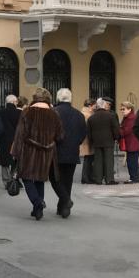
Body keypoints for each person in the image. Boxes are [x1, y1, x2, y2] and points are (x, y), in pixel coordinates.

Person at [11, 88, 63, 220]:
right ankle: (37, 211)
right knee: (40, 179)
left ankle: (37, 202)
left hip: (29, 150)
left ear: (34, 98)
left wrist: (15, 152)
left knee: (27, 177)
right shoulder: (54, 113)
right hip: (47, 152)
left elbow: (20, 134)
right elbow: (60, 135)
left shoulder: (27, 112)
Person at [51, 88, 87, 218]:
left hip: (56, 151)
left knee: (54, 178)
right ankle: (64, 209)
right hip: (72, 151)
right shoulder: (78, 114)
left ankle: (65, 201)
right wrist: (75, 143)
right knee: (67, 180)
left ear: (58, 98)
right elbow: (83, 133)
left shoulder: (54, 112)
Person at [87, 98, 120, 185]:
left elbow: (89, 132)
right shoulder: (111, 116)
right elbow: (115, 129)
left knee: (98, 160)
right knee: (109, 160)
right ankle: (109, 179)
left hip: (96, 142)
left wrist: (91, 141)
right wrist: (117, 138)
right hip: (109, 141)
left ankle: (98, 179)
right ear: (104, 105)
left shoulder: (91, 118)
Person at [0, 94, 21, 189]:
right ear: (14, 102)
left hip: (3, 140)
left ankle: (6, 181)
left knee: (4, 162)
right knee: (16, 160)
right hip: (16, 140)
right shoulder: (19, 113)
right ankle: (14, 178)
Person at [119, 102, 139, 184]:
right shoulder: (127, 117)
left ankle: (134, 178)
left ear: (129, 109)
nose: (122, 111)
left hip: (133, 143)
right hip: (132, 143)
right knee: (131, 161)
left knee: (132, 162)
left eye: (123, 109)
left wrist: (119, 130)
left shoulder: (131, 118)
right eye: (121, 109)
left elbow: (126, 131)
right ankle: (133, 177)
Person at [80, 99, 95, 184]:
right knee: (88, 159)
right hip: (87, 140)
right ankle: (86, 178)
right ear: (90, 106)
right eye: (94, 106)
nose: (95, 107)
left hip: (85, 139)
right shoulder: (88, 115)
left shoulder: (83, 113)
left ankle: (87, 177)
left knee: (88, 159)